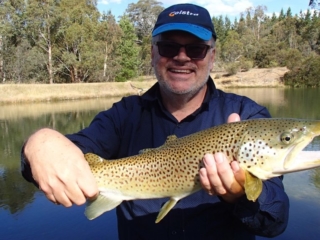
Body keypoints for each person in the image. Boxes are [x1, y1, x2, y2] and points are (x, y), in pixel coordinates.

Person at [21, 3, 289, 240]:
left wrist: (239, 195)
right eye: (169, 47)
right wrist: (38, 143)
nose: (181, 57)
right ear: (152, 53)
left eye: (196, 49)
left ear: (212, 57)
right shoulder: (124, 115)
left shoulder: (248, 116)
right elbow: (68, 155)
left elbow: (275, 222)